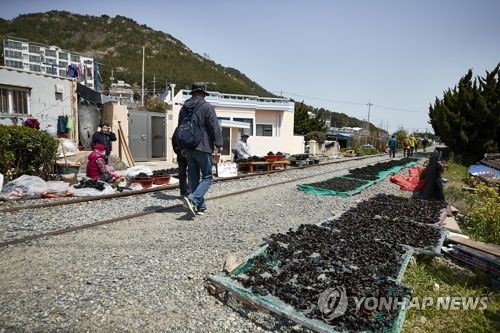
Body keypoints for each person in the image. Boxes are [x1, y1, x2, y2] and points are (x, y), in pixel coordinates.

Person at [179, 82, 223, 217]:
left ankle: (200, 206)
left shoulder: (184, 108)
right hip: (203, 146)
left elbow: (179, 127)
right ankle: (192, 199)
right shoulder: (206, 106)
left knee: (193, 178)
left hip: (189, 147)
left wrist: (182, 147)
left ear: (192, 93)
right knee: (208, 177)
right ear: (203, 93)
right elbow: (214, 126)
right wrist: (219, 144)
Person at [171, 127, 190, 197]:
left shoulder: (178, 128)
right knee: (190, 173)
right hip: (189, 154)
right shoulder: (191, 127)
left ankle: (183, 191)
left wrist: (177, 151)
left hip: (181, 154)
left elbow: (173, 141)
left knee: (182, 174)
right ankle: (189, 190)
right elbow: (174, 140)